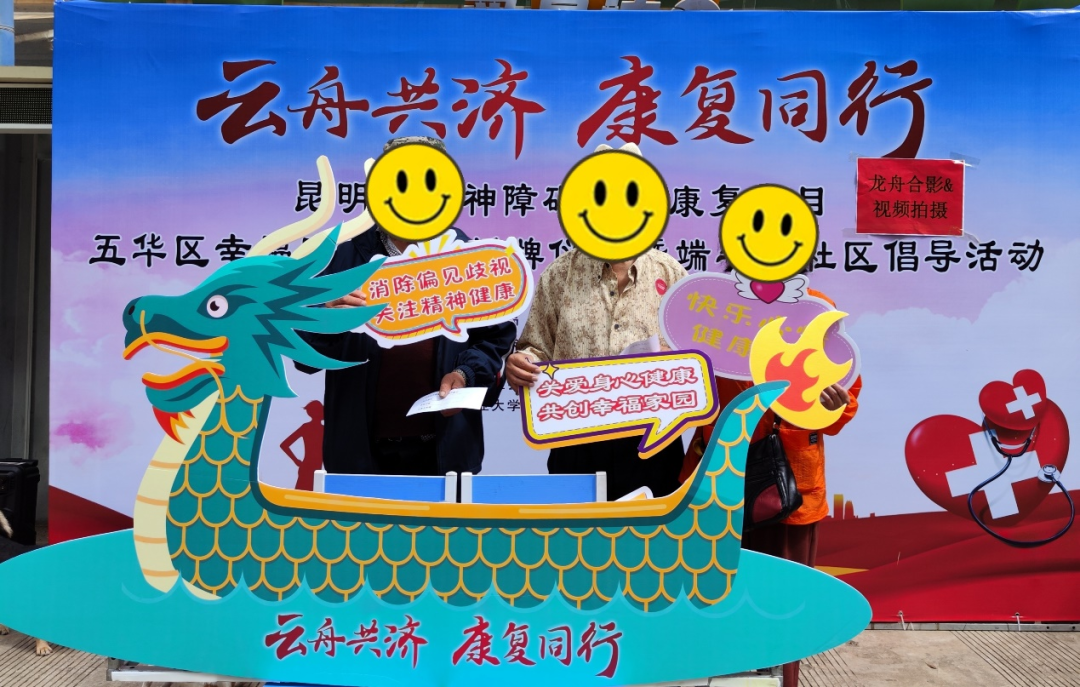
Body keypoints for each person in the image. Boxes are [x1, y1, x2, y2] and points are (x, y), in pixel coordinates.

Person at [679, 259, 861, 687]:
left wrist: (833, 403)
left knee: (784, 601)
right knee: (712, 596)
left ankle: (782, 680)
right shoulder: (708, 308)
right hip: (714, 477)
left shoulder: (817, 310)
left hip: (791, 484)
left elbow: (844, 400)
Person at [296, 136, 516, 478]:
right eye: (400, 180)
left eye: (428, 180)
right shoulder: (343, 258)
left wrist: (466, 374)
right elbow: (303, 356)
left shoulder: (468, 259)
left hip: (446, 454)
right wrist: (327, 319)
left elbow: (495, 339)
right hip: (360, 459)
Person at [506, 240, 689, 501]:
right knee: (577, 525)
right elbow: (536, 348)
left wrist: (676, 361)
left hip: (654, 440)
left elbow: (696, 354)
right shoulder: (560, 274)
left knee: (651, 527)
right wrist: (523, 362)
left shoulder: (670, 273)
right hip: (575, 439)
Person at [280, 400, 324, 491]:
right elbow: (284, 445)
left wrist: (296, 460)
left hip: (316, 471)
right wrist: (295, 460)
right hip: (308, 469)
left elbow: (284, 445)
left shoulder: (321, 429)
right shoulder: (309, 428)